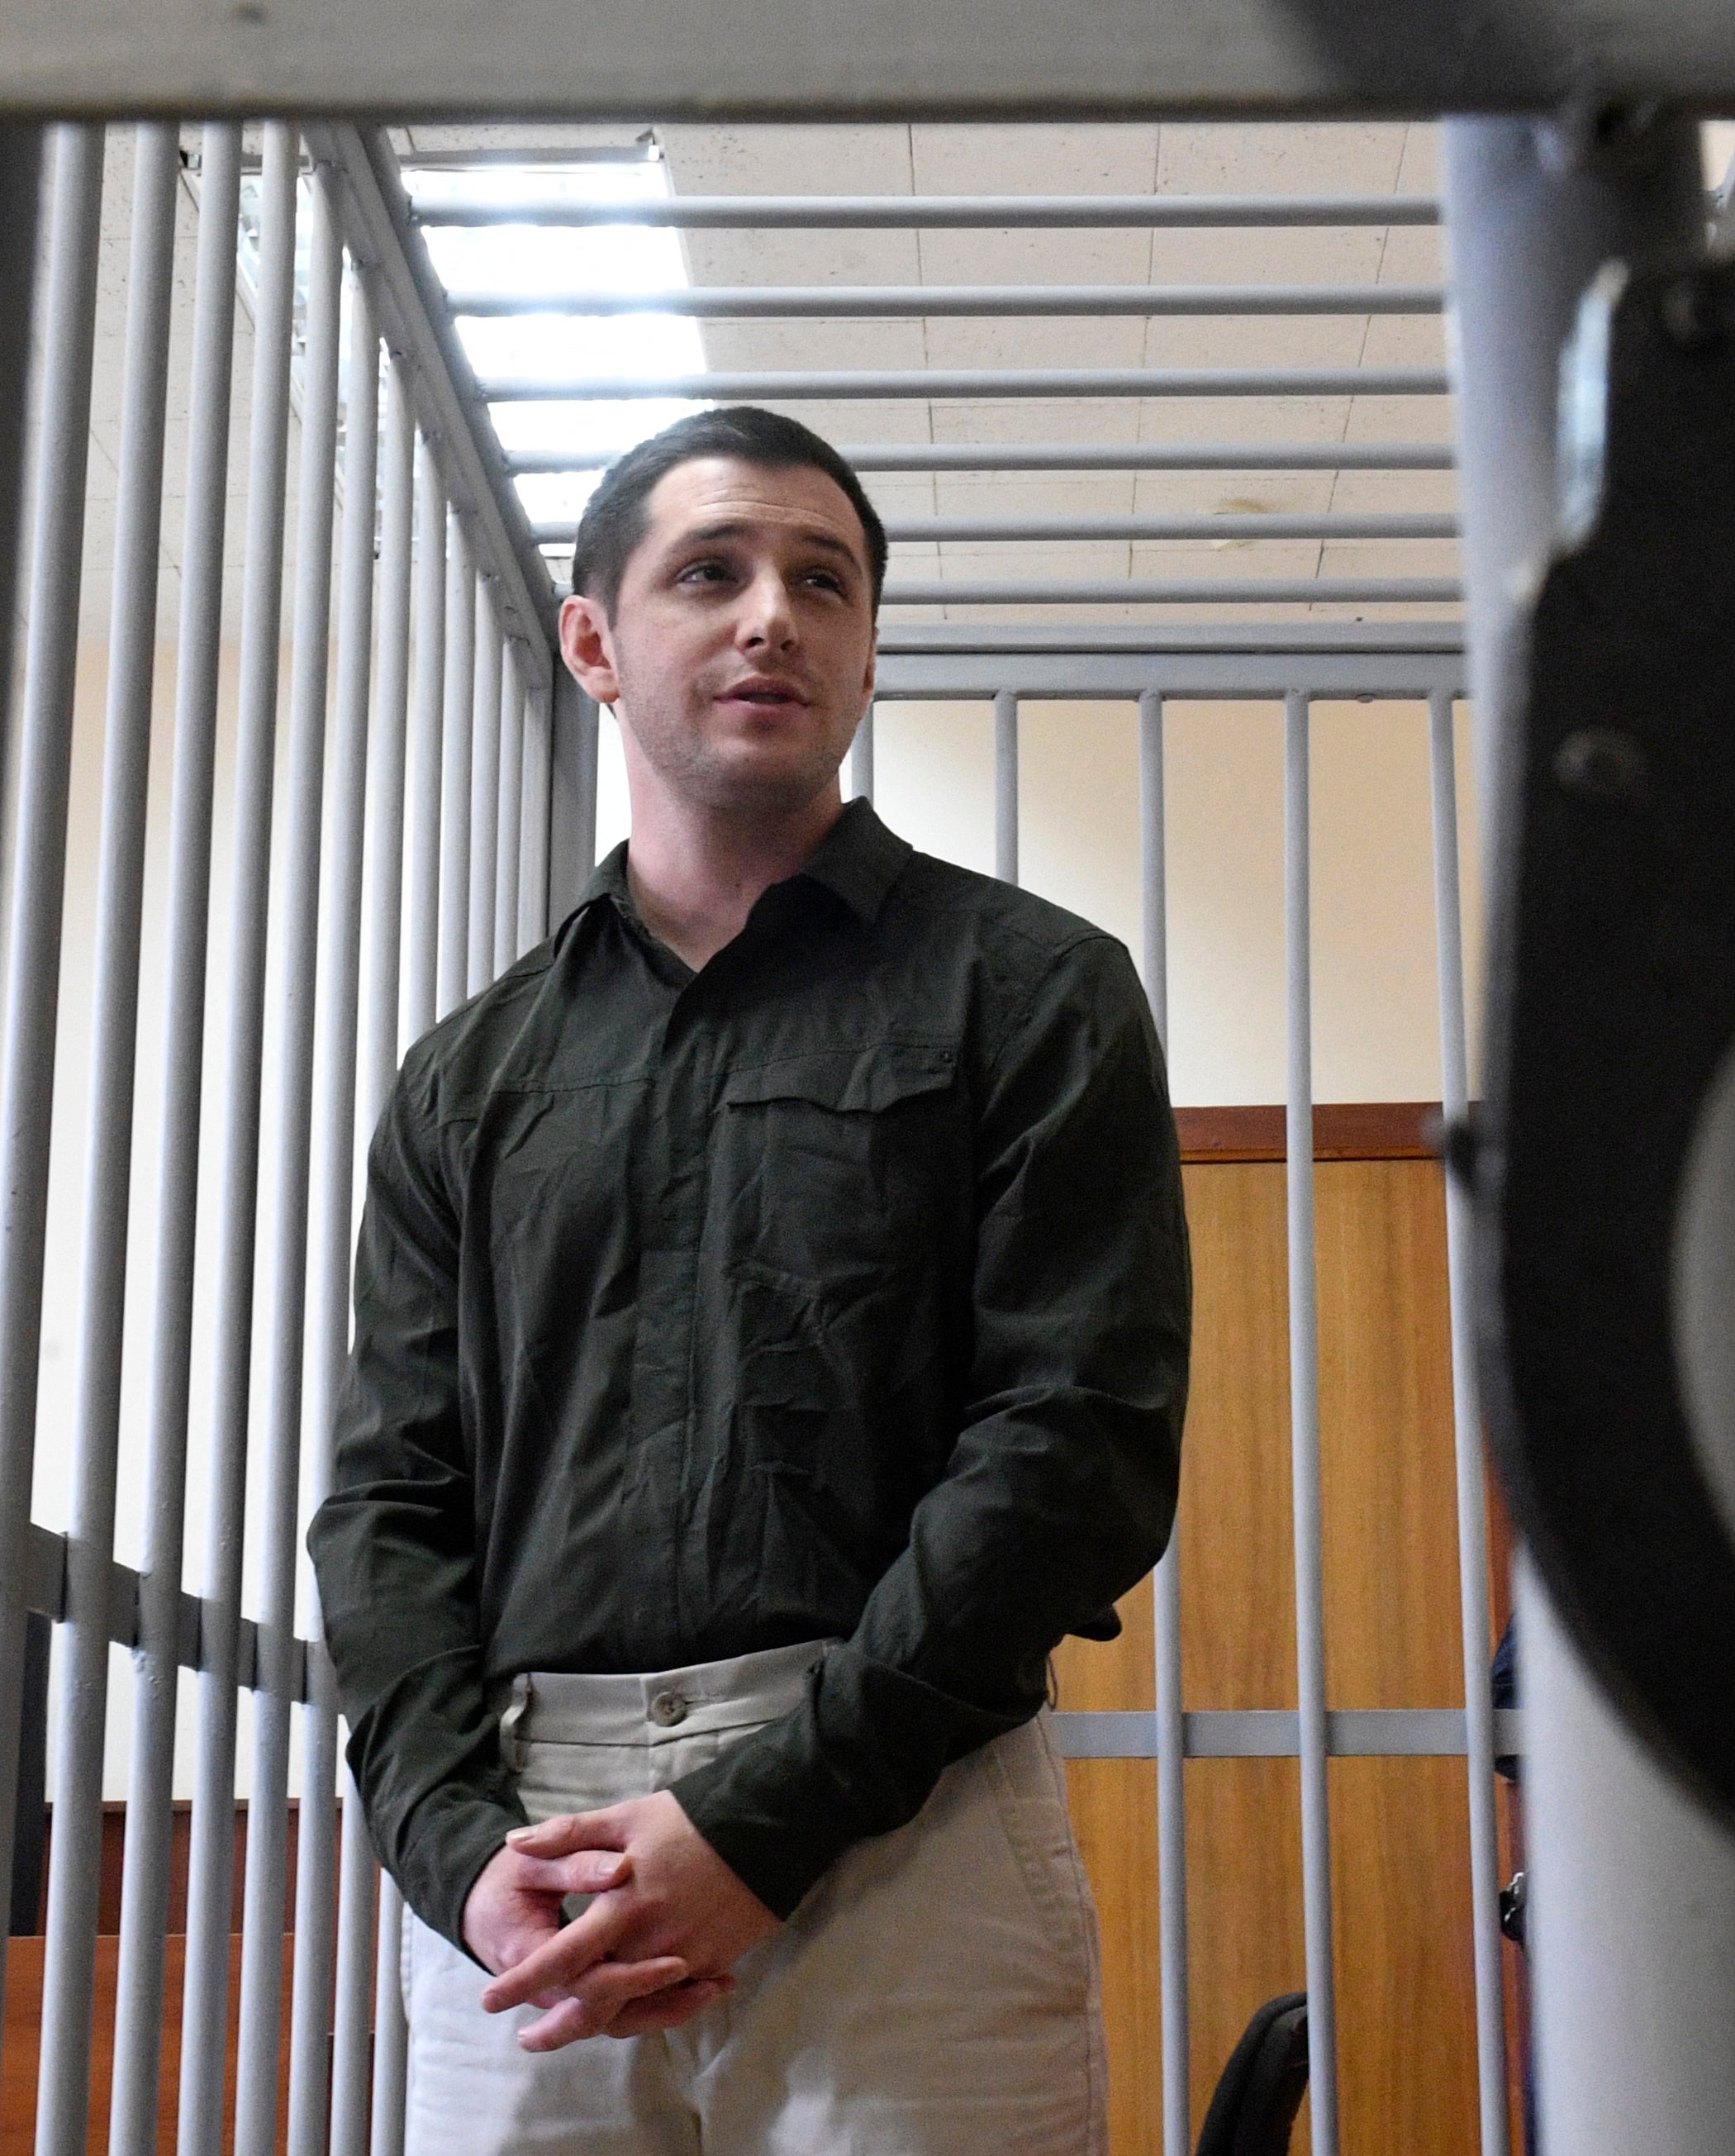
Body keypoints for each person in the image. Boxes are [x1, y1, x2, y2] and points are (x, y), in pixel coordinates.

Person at [311, 404, 1192, 2154]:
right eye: (707, 572)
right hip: (527, 1845)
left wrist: (759, 1822)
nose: (771, 613)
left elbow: (1070, 1447)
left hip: (907, 1809)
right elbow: (389, 1505)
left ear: (866, 652)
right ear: (593, 641)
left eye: (823, 579)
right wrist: (457, 1852)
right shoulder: (463, 1081)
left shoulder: (1032, 994)